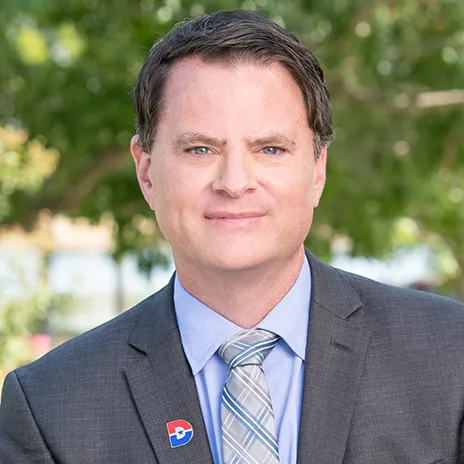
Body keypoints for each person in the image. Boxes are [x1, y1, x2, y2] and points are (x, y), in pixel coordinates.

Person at [1, 9, 463, 464]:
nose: (235, 182)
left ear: (318, 169)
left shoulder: (450, 355)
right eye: (200, 149)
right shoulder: (51, 407)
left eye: (270, 149)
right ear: (146, 172)